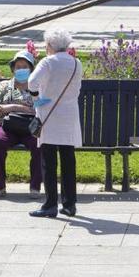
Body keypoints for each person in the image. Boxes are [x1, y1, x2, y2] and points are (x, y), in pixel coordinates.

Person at [27, 29, 82, 218]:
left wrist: (37, 99)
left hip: (49, 114)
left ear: (50, 45)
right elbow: (77, 89)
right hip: (69, 116)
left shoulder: (48, 62)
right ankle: (69, 204)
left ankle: (50, 204)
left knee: (48, 162)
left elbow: (31, 82)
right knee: (68, 161)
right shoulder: (76, 63)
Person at [0, 50, 42, 199]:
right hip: (6, 126)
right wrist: (13, 108)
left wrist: (11, 107)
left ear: (31, 69)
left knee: (40, 144)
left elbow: (41, 109)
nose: (21, 70)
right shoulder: (4, 85)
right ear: (13, 68)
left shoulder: (38, 86)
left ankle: (35, 187)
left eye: (25, 66)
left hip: (30, 127)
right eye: (18, 66)